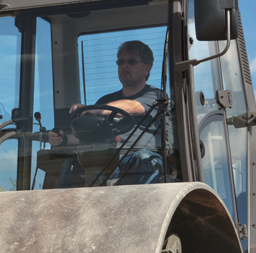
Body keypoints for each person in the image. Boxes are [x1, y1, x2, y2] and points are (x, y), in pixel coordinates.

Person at [48, 40, 169, 185]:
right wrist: (63, 139)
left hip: (135, 162)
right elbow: (90, 135)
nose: (124, 65)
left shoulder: (156, 96)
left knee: (144, 156)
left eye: (131, 61)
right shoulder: (105, 101)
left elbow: (131, 107)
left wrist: (93, 109)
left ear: (146, 69)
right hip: (106, 160)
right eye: (121, 62)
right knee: (70, 164)